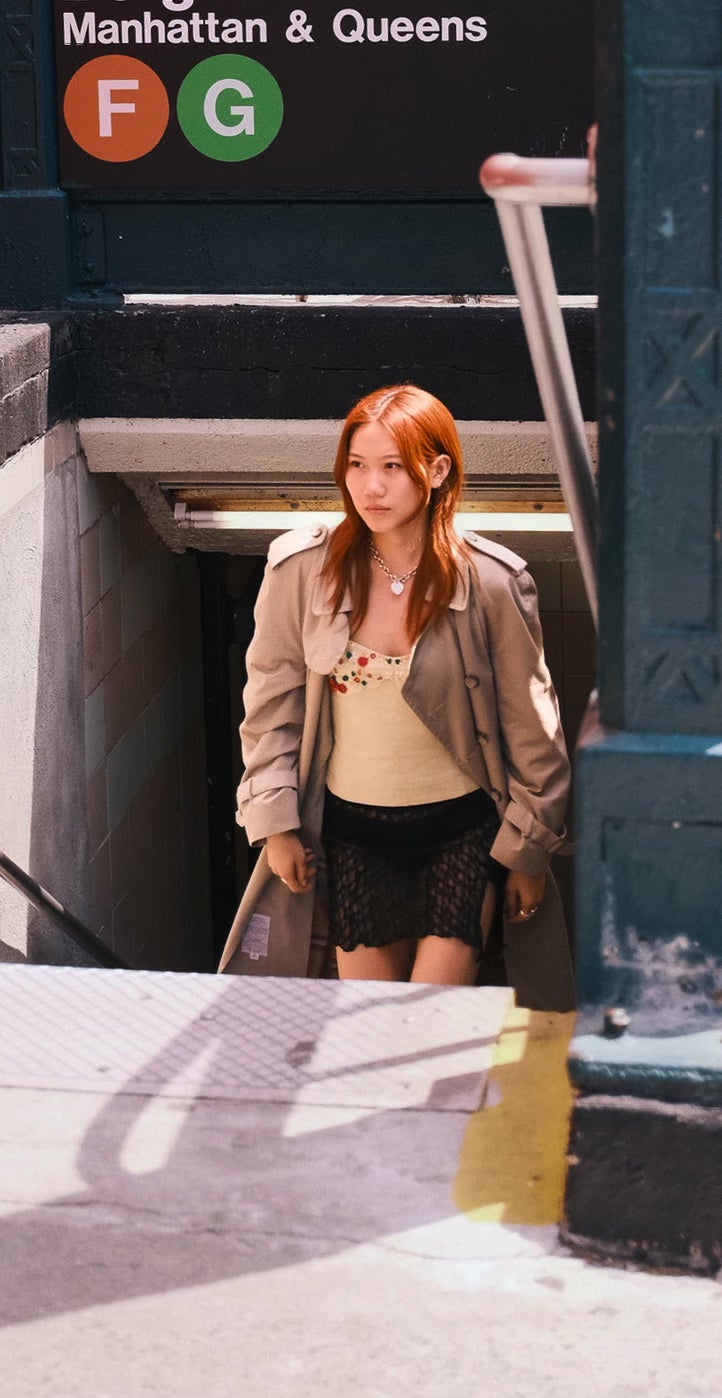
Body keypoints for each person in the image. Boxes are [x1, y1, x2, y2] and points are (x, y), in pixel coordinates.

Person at [220, 384, 573, 1006]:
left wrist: (528, 851)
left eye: (392, 467)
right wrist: (275, 824)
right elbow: (271, 706)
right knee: (371, 1022)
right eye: (357, 465)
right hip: (355, 832)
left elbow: (533, 729)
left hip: (461, 831)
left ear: (436, 472)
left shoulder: (492, 583)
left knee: (428, 1017)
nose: (371, 487)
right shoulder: (302, 570)